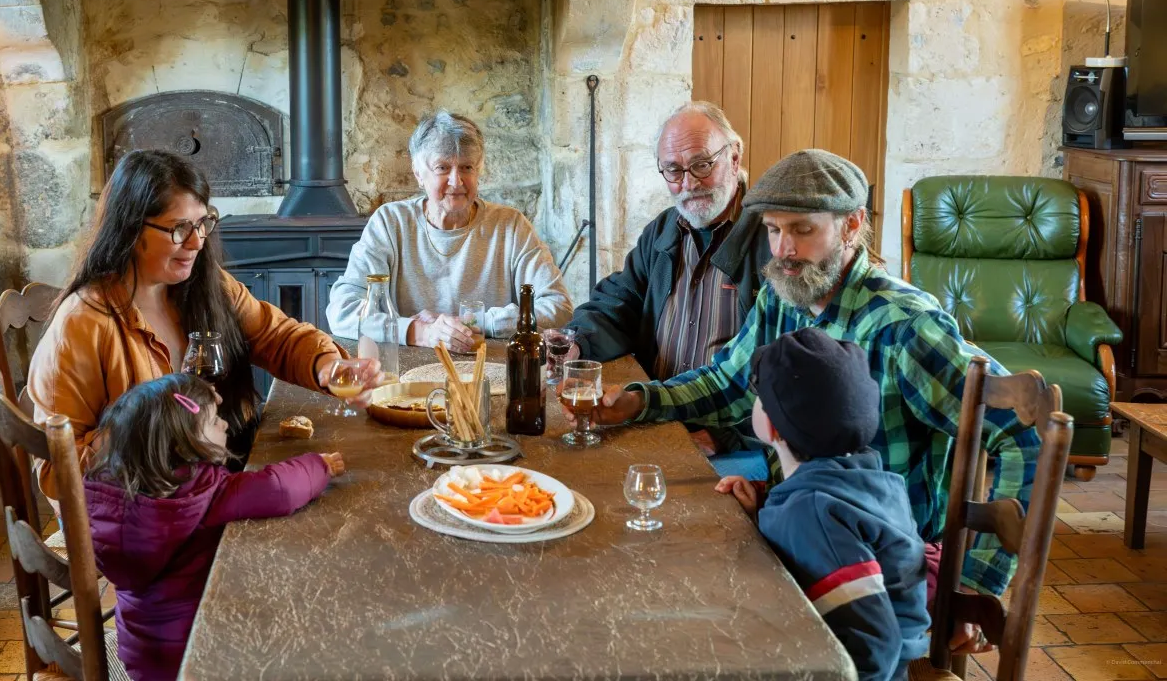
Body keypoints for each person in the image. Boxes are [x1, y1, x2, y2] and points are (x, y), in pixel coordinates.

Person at [591, 149, 1037, 652]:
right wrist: (638, 400)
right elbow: (728, 384)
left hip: (886, 569)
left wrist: (975, 585)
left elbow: (1025, 433)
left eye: (802, 230)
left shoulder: (905, 326)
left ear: (851, 225)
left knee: (709, 627)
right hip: (805, 530)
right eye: (774, 230)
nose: (783, 249)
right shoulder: (782, 295)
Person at [28, 149, 381, 499]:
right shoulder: (83, 322)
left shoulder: (206, 286)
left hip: (206, 481)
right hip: (145, 512)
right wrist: (159, 431)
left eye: (202, 223)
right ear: (131, 229)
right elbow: (57, 467)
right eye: (179, 228)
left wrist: (327, 367)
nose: (197, 242)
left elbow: (277, 335)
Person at [85, 373, 344, 681]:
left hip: (140, 648)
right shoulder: (202, 491)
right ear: (183, 447)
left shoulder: (110, 493)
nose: (224, 425)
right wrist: (319, 466)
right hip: (193, 651)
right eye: (213, 421)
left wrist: (197, 401)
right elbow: (277, 489)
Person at [565, 102, 772, 476]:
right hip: (657, 415)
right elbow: (619, 299)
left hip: (737, 441)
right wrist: (576, 342)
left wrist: (722, 435)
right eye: (674, 170)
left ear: (735, 156)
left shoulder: (772, 239)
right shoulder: (664, 231)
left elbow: (779, 370)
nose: (688, 183)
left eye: (702, 164)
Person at [715, 328, 928, 681]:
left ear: (771, 427)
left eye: (760, 395)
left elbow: (874, 646)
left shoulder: (811, 511)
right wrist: (761, 513)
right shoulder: (865, 479)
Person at [326, 111, 571, 350]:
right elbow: (342, 310)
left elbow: (558, 306)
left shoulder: (510, 225)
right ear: (418, 173)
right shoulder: (391, 222)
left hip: (491, 369)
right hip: (407, 370)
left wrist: (475, 323)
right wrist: (419, 332)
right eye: (443, 168)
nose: (457, 181)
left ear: (479, 170)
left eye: (467, 168)